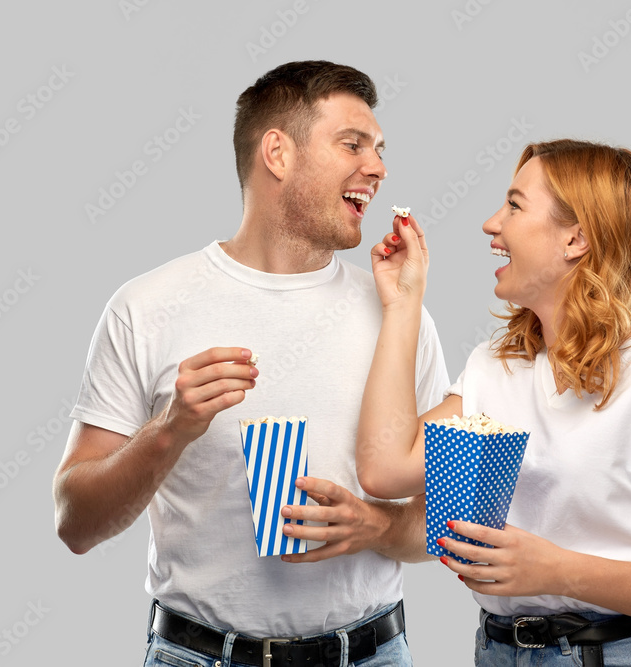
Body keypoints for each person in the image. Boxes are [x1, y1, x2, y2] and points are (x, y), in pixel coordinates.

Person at [52, 60, 450, 667]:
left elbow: (455, 520)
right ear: (277, 153)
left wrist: (376, 527)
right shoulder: (146, 306)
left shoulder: (401, 314)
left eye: (379, 149)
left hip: (372, 653)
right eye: (352, 144)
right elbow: (75, 524)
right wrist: (171, 429)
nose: (377, 167)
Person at [356, 139, 631, 666]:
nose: (491, 224)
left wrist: (557, 570)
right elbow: (385, 469)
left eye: (515, 205)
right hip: (498, 650)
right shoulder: (497, 367)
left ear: (576, 239)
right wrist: (404, 303)